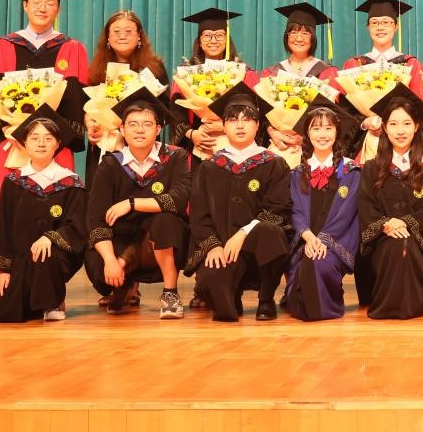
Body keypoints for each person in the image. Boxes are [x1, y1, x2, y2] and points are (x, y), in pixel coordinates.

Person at [0, 0, 88, 238]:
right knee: (12, 209)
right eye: (37, 2)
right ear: (25, 5)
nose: (43, 8)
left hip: (56, 143)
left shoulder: (71, 47)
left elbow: (76, 100)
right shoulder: (5, 45)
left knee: (58, 208)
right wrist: (12, 132)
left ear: (58, 9)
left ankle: (54, 254)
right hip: (14, 141)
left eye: (50, 3)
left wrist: (56, 138)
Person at [184, 82, 292, 322]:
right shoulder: (209, 167)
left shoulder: (274, 163)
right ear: (223, 126)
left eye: (247, 119)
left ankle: (266, 298)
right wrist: (213, 246)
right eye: (233, 120)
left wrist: (243, 233)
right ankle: (232, 295)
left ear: (257, 125)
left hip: (260, 248)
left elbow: (279, 210)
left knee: (270, 231)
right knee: (211, 289)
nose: (240, 125)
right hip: (223, 249)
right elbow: (199, 216)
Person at [84, 88, 190, 319]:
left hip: (160, 242)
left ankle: (170, 293)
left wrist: (132, 203)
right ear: (122, 129)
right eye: (132, 124)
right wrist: (110, 260)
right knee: (102, 267)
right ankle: (124, 282)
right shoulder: (110, 164)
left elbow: (179, 199)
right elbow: (95, 217)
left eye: (147, 124)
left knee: (166, 220)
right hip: (122, 239)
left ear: (158, 129)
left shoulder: (175, 157)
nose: (139, 130)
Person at [0, 105, 86, 323]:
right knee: (2, 312)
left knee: (45, 255)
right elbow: (3, 229)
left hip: (53, 256)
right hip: (20, 259)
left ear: (58, 143)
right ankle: (33, 299)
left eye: (48, 138)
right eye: (34, 138)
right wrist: (3, 270)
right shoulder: (14, 182)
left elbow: (77, 226)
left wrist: (51, 238)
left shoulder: (70, 182)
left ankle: (53, 300)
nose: (41, 143)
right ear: (24, 143)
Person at [357, 84, 423, 320]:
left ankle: (415, 301)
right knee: (396, 245)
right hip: (382, 240)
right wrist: (386, 224)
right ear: (384, 128)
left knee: (406, 244)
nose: (400, 131)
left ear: (417, 127)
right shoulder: (371, 168)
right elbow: (366, 207)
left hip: (420, 242)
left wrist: (405, 223)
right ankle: (392, 304)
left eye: (407, 123)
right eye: (394, 124)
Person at [285, 96, 363, 322]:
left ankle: (325, 309)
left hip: (336, 244)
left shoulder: (351, 172)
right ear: (307, 134)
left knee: (316, 263)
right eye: (316, 128)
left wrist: (323, 241)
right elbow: (295, 211)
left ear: (337, 132)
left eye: (328, 128)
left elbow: (346, 215)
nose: (322, 134)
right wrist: (309, 238)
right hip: (305, 242)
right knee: (303, 269)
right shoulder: (297, 174)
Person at [83, 10, 170, 188]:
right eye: (116, 31)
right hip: (106, 144)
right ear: (108, 38)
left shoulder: (154, 68)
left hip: (143, 146)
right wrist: (91, 125)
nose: (122, 36)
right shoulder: (97, 70)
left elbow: (166, 110)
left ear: (139, 37)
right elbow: (87, 107)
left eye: (128, 31)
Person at [342, 0, 423, 146]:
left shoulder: (411, 64)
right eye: (374, 23)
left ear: (396, 27)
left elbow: (419, 107)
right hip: (364, 141)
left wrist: (395, 123)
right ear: (368, 27)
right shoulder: (354, 65)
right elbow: (344, 110)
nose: (380, 27)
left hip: (401, 140)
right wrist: (365, 122)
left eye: (386, 22)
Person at [258, 3, 340, 154]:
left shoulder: (328, 73)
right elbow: (262, 115)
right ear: (286, 36)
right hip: (279, 147)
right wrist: (272, 132)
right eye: (293, 32)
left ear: (313, 37)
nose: (299, 38)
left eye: (305, 33)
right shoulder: (271, 74)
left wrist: (306, 137)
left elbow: (335, 116)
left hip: (316, 148)